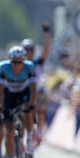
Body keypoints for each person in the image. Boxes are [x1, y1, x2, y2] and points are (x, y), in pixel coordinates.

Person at [0, 46, 37, 158]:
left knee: (28, 113)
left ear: (24, 61)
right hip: (9, 95)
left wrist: (31, 105)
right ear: (9, 61)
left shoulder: (30, 67)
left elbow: (34, 89)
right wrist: (0, 107)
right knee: (9, 129)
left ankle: (29, 139)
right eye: (14, 62)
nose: (17, 65)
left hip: (24, 94)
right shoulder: (3, 67)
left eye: (20, 62)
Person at [21, 21, 51, 149]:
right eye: (26, 50)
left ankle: (39, 132)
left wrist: (46, 33)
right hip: (23, 91)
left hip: (38, 90)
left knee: (40, 110)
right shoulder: (18, 63)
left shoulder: (37, 62)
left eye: (31, 50)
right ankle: (22, 137)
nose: (29, 52)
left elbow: (46, 49)